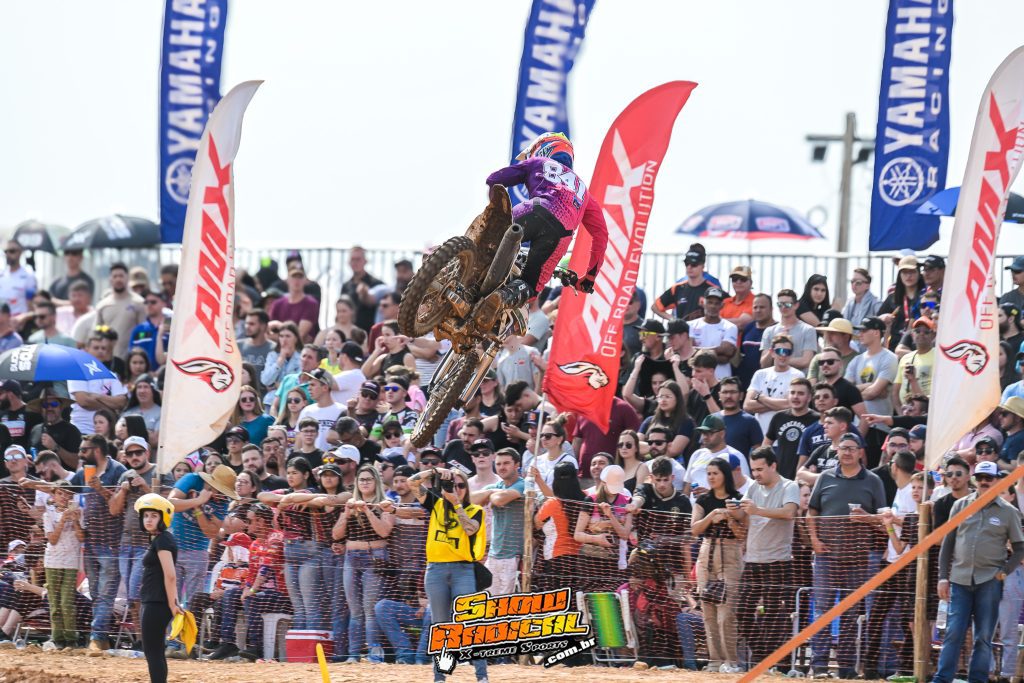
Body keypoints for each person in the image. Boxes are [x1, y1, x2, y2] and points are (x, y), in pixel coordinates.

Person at [477, 132, 607, 327]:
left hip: (534, 210)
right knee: (530, 286)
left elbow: (494, 179)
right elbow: (601, 235)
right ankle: (503, 297)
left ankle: (460, 269)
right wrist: (588, 277)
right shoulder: (585, 192)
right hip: (561, 234)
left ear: (542, 148)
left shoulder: (537, 162)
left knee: (486, 241)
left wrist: (496, 212)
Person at [934, 460, 1024, 683]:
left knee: (983, 635)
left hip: (990, 580)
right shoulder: (959, 506)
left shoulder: (1008, 512)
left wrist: (1004, 572)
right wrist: (943, 577)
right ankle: (942, 678)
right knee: (953, 632)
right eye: (980, 478)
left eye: (988, 478)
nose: (984, 482)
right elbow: (948, 543)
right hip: (959, 578)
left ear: (996, 481)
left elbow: (1020, 546)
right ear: (975, 480)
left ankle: (977, 680)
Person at [805, 431, 885, 679]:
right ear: (836, 451)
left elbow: (884, 521)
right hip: (826, 557)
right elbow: (811, 513)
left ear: (861, 451)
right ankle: (818, 667)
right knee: (822, 612)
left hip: (859, 559)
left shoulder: (873, 481)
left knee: (851, 614)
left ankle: (847, 669)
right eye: (843, 448)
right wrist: (815, 541)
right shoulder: (824, 477)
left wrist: (867, 518)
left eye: (852, 448)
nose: (847, 452)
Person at [407, 465, 488, 682]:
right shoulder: (436, 504)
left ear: (467, 488)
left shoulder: (475, 510)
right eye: (453, 485)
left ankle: (482, 676)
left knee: (469, 622)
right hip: (436, 570)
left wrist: (456, 503)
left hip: (463, 570)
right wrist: (434, 471)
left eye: (461, 485)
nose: (457, 488)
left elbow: (470, 529)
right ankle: (440, 677)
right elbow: (412, 483)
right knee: (441, 625)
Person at [736, 447, 800, 670]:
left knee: (774, 615)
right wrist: (730, 509)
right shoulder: (754, 486)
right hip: (753, 560)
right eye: (753, 469)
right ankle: (764, 657)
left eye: (760, 469)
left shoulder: (789, 486)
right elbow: (743, 512)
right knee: (742, 610)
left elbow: (789, 512)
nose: (756, 474)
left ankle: (775, 663)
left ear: (774, 466)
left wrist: (757, 510)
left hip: (778, 561)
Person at [690, 457, 746, 673]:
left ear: (725, 475)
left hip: (730, 554)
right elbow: (694, 529)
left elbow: (743, 535)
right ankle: (714, 661)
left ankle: (731, 661)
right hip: (706, 553)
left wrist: (731, 517)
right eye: (709, 473)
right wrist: (712, 516)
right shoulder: (703, 500)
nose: (711, 477)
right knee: (708, 611)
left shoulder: (738, 499)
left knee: (726, 613)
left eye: (716, 473)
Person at [335, 465, 394, 663]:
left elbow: (384, 532)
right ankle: (353, 655)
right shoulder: (349, 505)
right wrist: (346, 513)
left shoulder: (385, 504)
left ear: (376, 482)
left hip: (374, 557)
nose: (365, 482)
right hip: (351, 558)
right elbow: (336, 535)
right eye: (361, 480)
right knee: (355, 610)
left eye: (369, 479)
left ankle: (374, 655)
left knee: (370, 609)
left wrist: (367, 510)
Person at [134, 493, 181, 683]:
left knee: (152, 652)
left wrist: (173, 604)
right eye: (146, 515)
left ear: (163, 517)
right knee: (155, 652)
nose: (148, 519)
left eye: (154, 515)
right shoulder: (158, 539)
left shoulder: (163, 540)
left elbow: (170, 575)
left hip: (157, 602)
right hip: (155, 601)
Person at [471, 448, 525, 595]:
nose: (502, 467)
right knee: (488, 600)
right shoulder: (496, 487)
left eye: (506, 463)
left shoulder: (523, 485)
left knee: (507, 605)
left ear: (516, 465)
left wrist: (489, 494)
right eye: (499, 464)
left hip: (514, 555)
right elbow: (469, 500)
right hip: (494, 554)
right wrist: (489, 492)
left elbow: (499, 500)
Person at [42, 480, 83, 649]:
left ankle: (71, 639)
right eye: (60, 493)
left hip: (71, 562)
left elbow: (82, 538)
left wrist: (74, 521)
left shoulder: (80, 513)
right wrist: (62, 520)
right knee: (54, 602)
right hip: (52, 561)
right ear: (54, 495)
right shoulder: (48, 514)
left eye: (68, 494)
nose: (64, 497)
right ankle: (57, 638)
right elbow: (52, 540)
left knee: (67, 601)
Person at [746, 334, 805, 434]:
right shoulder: (760, 374)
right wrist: (779, 405)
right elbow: (747, 405)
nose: (783, 355)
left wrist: (761, 398)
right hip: (759, 436)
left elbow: (791, 404)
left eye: (787, 352)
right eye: (779, 351)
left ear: (791, 354)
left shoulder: (798, 375)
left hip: (784, 435)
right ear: (772, 352)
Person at [764, 378, 818, 480]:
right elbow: (765, 445)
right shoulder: (779, 417)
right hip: (780, 478)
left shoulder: (817, 419)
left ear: (809, 397)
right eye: (792, 393)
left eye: (801, 393)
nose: (795, 397)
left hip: (805, 478)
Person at [94, 263, 145, 358]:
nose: (118, 279)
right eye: (115, 276)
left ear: (128, 278)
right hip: (108, 359)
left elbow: (143, 333)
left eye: (121, 276)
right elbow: (97, 334)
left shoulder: (139, 303)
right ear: (110, 279)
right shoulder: (102, 305)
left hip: (131, 360)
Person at [654, 243, 715, 321]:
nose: (689, 267)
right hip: (683, 332)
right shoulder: (677, 288)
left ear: (702, 265)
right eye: (687, 263)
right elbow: (655, 306)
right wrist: (673, 320)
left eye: (694, 264)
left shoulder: (712, 288)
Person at [760, 289, 816, 371]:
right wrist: (774, 344)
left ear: (796, 305)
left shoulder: (807, 330)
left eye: (787, 304)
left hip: (799, 380)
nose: (783, 307)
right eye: (780, 304)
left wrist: (778, 360)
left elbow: (806, 361)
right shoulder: (769, 331)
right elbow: (764, 364)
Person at [879, 255, 924, 351]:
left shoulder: (925, 297)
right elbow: (877, 319)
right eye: (904, 272)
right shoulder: (892, 298)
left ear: (919, 273)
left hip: (917, 348)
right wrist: (882, 318)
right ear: (899, 275)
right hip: (893, 347)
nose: (908, 276)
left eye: (912, 272)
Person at [270, 268, 320, 343]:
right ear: (287, 280)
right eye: (293, 277)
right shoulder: (277, 303)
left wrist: (279, 325)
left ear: (306, 280)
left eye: (300, 277)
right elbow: (268, 332)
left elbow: (300, 335)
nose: (297, 280)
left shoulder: (311, 303)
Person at [0, 240, 36, 316]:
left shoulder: (28, 276)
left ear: (20, 252)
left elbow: (32, 305)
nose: (8, 254)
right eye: (6, 251)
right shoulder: (1, 275)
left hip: (19, 323)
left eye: (12, 251)